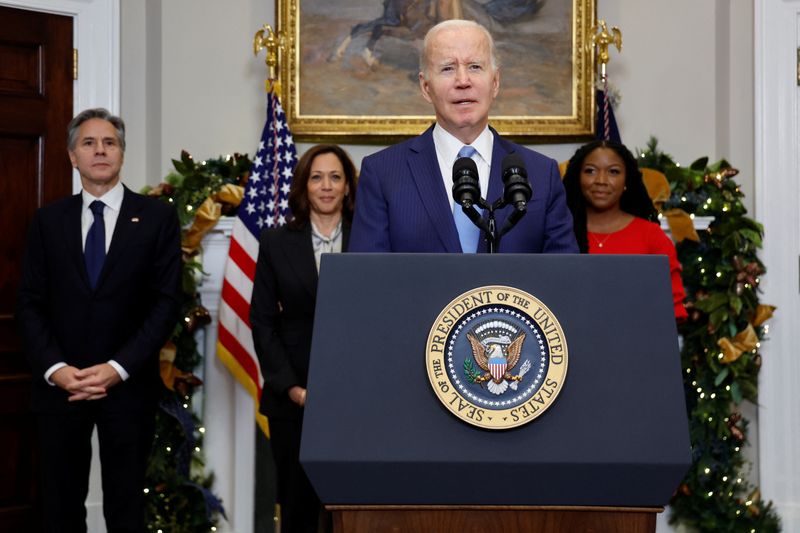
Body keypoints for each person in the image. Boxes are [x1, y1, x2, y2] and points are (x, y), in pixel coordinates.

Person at [16, 108, 182, 532]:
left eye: (109, 142)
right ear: (73, 156)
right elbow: (30, 303)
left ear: (122, 153)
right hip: (61, 391)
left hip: (128, 388)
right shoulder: (47, 221)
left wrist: (117, 368)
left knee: (126, 510)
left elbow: (165, 304)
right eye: (89, 143)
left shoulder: (157, 218)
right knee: (60, 509)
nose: (100, 150)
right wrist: (57, 370)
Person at [348, 19, 578, 253]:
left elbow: (564, 278)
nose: (463, 81)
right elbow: (366, 280)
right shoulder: (382, 172)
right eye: (448, 68)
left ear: (495, 82)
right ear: (426, 87)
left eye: (475, 67)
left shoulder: (542, 173)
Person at [250, 144, 357, 533]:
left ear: (348, 186)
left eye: (335, 177)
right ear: (303, 186)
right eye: (316, 177)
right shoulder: (276, 242)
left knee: (350, 510)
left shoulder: (370, 239)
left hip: (357, 401)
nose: (326, 186)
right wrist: (293, 389)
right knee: (297, 511)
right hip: (292, 399)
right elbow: (262, 321)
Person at [562, 139, 688, 321]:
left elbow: (673, 310)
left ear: (626, 180)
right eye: (590, 170)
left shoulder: (651, 235)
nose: (601, 180)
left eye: (613, 172)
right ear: (577, 178)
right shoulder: (560, 234)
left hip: (638, 342)